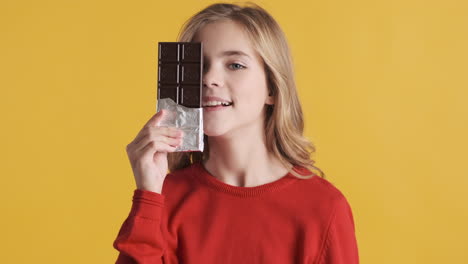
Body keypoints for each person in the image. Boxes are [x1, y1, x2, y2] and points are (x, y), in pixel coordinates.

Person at [113, 2, 359, 264]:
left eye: (235, 65)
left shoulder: (324, 207)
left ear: (272, 89)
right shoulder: (162, 198)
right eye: (200, 65)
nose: (209, 78)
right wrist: (149, 196)